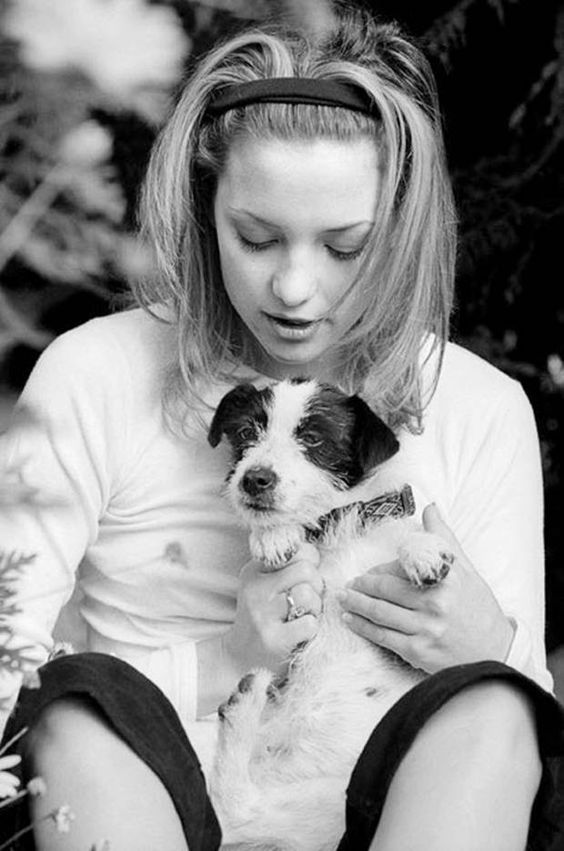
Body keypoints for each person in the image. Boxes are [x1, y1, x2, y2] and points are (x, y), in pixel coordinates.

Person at [1, 3, 563, 849]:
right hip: (164, 800)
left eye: (345, 247)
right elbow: (7, 661)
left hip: (376, 810)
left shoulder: (478, 406)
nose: (295, 289)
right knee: (74, 706)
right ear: (204, 204)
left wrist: (491, 645)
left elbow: (515, 755)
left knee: (493, 703)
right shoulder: (96, 372)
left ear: (401, 229)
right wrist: (220, 663)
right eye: (256, 237)